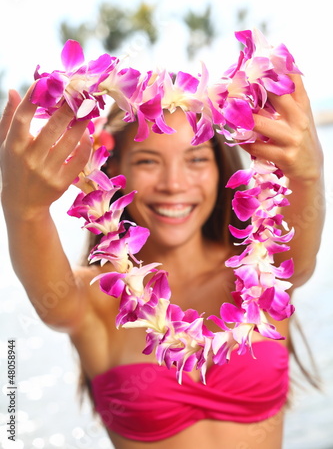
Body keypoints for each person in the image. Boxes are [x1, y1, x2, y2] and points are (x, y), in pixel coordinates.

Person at [0, 71, 325, 449]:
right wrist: (24, 210)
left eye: (196, 158)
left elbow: (300, 263)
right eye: (149, 161)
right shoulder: (93, 301)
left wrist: (309, 175)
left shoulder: (263, 272)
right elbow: (50, 304)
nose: (174, 183)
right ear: (114, 170)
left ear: (221, 167)